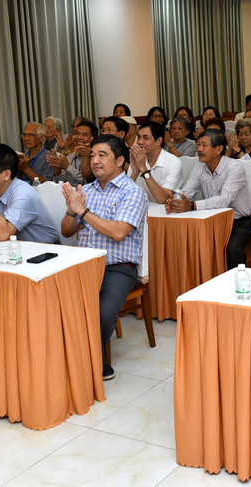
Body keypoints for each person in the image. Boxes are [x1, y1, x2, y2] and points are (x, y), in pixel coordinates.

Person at [60, 134, 148, 381]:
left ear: (120, 160)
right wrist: (70, 209)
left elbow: (119, 232)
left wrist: (83, 211)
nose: (95, 161)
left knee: (102, 312)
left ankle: (89, 363)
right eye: (92, 155)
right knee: (54, 300)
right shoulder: (85, 190)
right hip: (82, 264)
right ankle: (90, 359)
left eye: (102, 155)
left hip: (117, 267)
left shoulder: (131, 193)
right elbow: (66, 231)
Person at [167, 129, 251, 269]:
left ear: (219, 149)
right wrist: (175, 202)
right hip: (210, 222)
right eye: (198, 144)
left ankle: (238, 283)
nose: (199, 149)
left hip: (237, 223)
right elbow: (187, 192)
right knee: (187, 244)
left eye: (204, 145)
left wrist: (193, 206)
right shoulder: (199, 168)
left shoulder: (235, 167)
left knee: (231, 250)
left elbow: (225, 200)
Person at [128, 122, 182, 204]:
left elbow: (162, 199)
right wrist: (134, 174)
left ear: (159, 141)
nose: (139, 142)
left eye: (145, 138)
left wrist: (143, 169)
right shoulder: (136, 159)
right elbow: (124, 195)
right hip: (140, 209)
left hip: (165, 212)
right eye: (138, 137)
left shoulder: (173, 162)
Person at [51, 119, 96, 186]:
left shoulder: (95, 158)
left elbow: (87, 183)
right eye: (77, 133)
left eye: (84, 134)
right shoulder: (70, 156)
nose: (79, 137)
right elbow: (59, 184)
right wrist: (57, 172)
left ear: (93, 138)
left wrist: (67, 166)